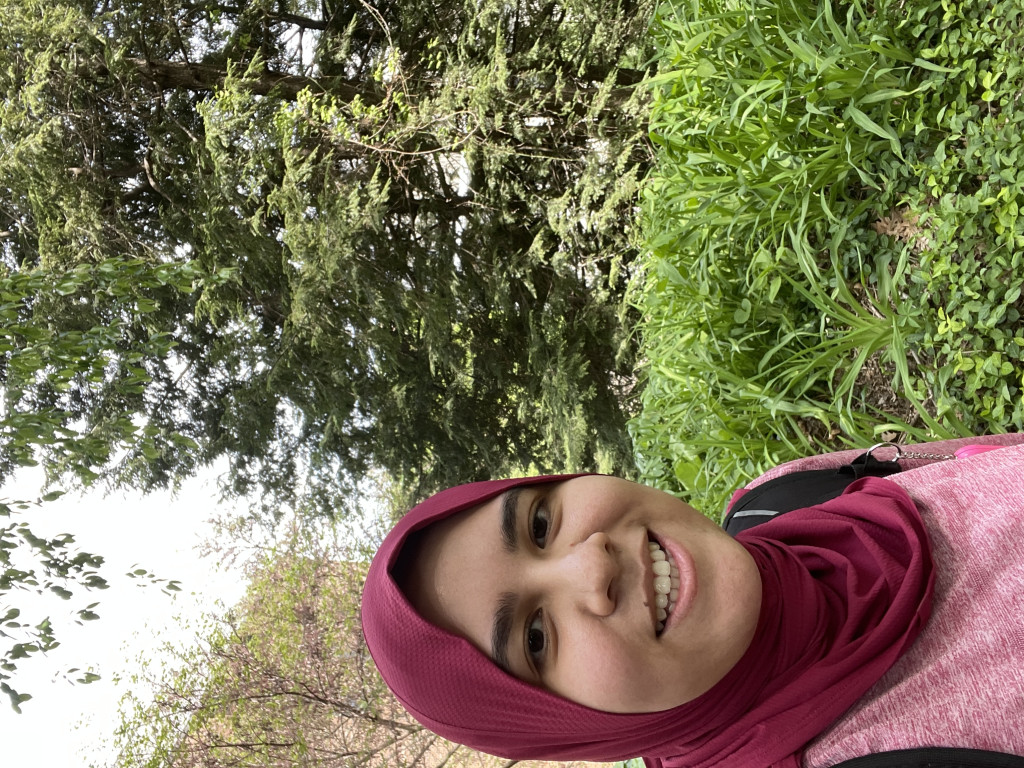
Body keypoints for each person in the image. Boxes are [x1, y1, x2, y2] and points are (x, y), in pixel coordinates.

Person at [361, 434, 1024, 767]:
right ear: (568, 726)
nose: (592, 564)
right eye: (535, 638)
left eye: (539, 524)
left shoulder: (778, 498)